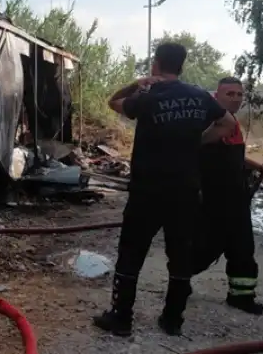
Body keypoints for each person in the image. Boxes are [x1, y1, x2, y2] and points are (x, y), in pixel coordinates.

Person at [93, 43, 238, 337]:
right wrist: (197, 140)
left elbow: (113, 101)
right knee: (180, 255)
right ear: (182, 65)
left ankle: (121, 318)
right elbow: (228, 124)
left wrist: (139, 83)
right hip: (185, 191)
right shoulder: (199, 96)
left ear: (156, 64)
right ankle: (173, 320)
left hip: (147, 190)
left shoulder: (148, 96)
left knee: (131, 252)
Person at [191, 76, 263, 315]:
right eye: (230, 94)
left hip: (237, 198)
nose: (236, 99)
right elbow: (197, 154)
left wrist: (255, 166)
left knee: (242, 248)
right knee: (205, 248)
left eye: (239, 94)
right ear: (217, 96)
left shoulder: (232, 122)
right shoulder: (209, 122)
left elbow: (231, 157)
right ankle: (180, 278)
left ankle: (241, 296)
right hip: (214, 199)